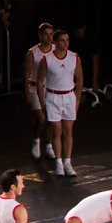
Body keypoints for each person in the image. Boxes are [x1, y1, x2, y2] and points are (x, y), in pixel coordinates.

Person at [36, 29, 83, 177]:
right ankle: (58, 163)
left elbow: (80, 79)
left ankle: (68, 162)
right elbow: (39, 81)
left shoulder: (74, 57)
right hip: (53, 96)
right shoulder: (47, 59)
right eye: (62, 40)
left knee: (68, 130)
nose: (66, 43)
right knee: (57, 129)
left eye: (67, 40)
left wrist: (77, 98)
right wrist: (42, 100)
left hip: (68, 96)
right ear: (55, 42)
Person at [24, 22, 54, 159]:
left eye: (50, 34)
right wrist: (28, 93)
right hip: (36, 88)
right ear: (40, 36)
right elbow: (27, 75)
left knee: (51, 119)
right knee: (41, 119)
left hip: (51, 87)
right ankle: (36, 140)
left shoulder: (55, 50)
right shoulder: (32, 53)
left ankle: (49, 145)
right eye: (46, 35)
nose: (48, 37)